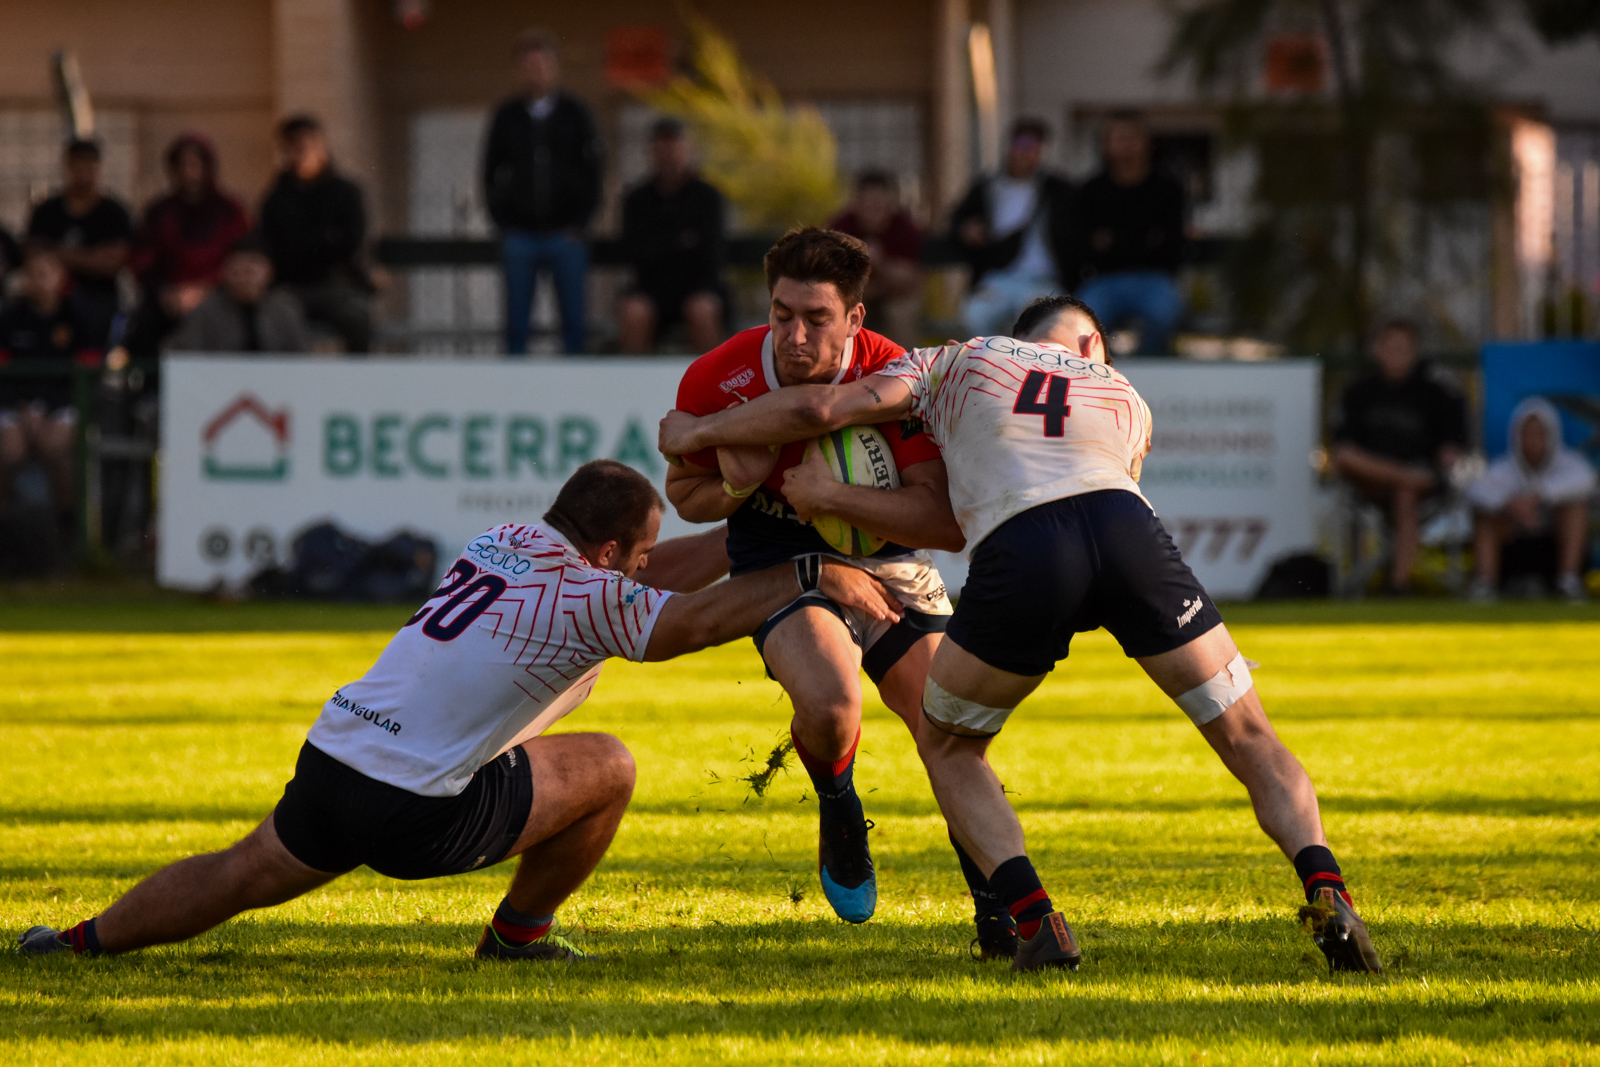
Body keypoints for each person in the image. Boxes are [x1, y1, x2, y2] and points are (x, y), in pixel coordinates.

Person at [658, 294, 1386, 976]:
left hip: (1027, 544)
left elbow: (821, 408)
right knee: (1249, 733)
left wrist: (698, 433)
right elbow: (1116, 483)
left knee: (949, 743)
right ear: (1091, 345)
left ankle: (1035, 919)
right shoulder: (1125, 395)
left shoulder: (958, 358)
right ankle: (1327, 886)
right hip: (1129, 533)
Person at [18, 460, 901, 962]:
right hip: (415, 808)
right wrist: (813, 572)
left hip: (336, 756)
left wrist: (747, 541)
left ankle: (78, 942)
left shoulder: (506, 540)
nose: (641, 568)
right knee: (610, 766)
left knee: (242, 868)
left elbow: (659, 576)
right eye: (635, 555)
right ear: (605, 552)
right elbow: (696, 621)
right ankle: (518, 937)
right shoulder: (590, 596)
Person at [665, 227, 974, 933]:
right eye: (781, 314)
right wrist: (735, 487)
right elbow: (685, 498)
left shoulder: (895, 374)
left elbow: (943, 521)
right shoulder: (718, 376)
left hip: (890, 557)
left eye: (816, 318)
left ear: (855, 318)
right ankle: (838, 805)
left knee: (946, 726)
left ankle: (999, 906)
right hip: (779, 564)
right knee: (834, 708)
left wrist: (832, 497)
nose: (794, 336)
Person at [483, 29, 603, 355]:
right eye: (528, 66)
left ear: (554, 68)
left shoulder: (576, 114)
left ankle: (574, 381)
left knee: (574, 325)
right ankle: (514, 382)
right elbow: (490, 172)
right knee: (517, 326)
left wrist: (580, 222)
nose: (535, 72)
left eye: (541, 65)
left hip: (567, 236)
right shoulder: (506, 116)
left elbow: (594, 171)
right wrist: (503, 223)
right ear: (518, 71)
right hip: (520, 236)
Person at [1330, 319, 1468, 595]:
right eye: (1390, 347)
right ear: (1377, 349)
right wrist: (1403, 475)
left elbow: (1454, 446)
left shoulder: (1437, 393)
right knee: (1347, 457)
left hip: (1421, 488)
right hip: (1370, 484)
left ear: (1415, 352)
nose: (1396, 354)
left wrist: (1447, 456)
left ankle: (1397, 585)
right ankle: (1405, 477)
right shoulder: (1358, 392)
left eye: (1403, 348)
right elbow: (1342, 450)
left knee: (1405, 494)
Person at [125, 133, 252, 358]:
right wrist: (164, 292)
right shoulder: (159, 212)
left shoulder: (229, 211)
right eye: (181, 165)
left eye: (194, 164)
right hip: (167, 299)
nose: (188, 172)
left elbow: (242, 256)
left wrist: (203, 291)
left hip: (220, 296)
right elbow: (143, 259)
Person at [950, 118, 1076, 338]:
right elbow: (957, 222)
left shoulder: (1058, 189)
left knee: (1038, 326)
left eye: (1035, 148)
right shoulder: (987, 187)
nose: (1027, 153)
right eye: (1022, 145)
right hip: (998, 278)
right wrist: (967, 230)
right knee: (974, 317)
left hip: (1045, 280)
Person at [1073, 112, 1187, 355]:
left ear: (1147, 143)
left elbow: (1172, 244)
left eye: (1132, 138)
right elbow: (1083, 245)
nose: (1126, 145)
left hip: (1154, 279)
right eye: (1118, 138)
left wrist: (1113, 242)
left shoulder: (1167, 189)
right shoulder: (1091, 189)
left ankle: (1148, 366)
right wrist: (1144, 242)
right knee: (1082, 323)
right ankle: (1103, 369)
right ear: (1106, 144)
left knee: (1165, 312)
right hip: (1104, 280)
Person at [0, 242, 96, 528]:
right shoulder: (11, 318)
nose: (38, 281)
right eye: (32, 274)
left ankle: (69, 526)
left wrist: (47, 408)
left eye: (46, 274)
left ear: (61, 278)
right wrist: (24, 407)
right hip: (17, 404)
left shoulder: (78, 317)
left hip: (61, 403)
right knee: (8, 452)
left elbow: (87, 372)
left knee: (57, 450)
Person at [258, 116, 372, 354]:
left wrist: (303, 246)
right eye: (292, 147)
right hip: (289, 287)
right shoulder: (276, 198)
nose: (300, 154)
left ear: (321, 146)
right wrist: (324, 241)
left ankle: (358, 375)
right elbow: (273, 248)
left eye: (306, 146)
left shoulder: (346, 193)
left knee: (357, 319)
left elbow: (350, 245)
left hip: (334, 284)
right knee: (274, 319)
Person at [1465, 397, 1595, 603]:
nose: (1533, 440)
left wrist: (1536, 497)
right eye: (1528, 433)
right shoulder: (1503, 468)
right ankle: (1485, 584)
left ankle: (1568, 581)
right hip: (1514, 551)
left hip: (1552, 550)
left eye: (1540, 433)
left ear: (1552, 435)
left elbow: (1586, 480)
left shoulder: (1571, 464)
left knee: (1575, 508)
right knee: (1485, 516)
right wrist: (1509, 505)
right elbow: (1475, 490)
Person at [617, 118, 726, 354]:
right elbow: (634, 253)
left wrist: (661, 246)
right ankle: (631, 376)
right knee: (635, 311)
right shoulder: (636, 200)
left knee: (703, 310)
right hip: (651, 287)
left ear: (688, 150)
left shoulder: (707, 197)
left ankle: (713, 376)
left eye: (674, 147)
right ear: (651, 153)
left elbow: (710, 253)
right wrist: (682, 243)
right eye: (662, 148)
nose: (668, 155)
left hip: (698, 286)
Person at [25, 138, 133, 347]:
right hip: (50, 295)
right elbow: (33, 254)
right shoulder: (47, 211)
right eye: (77, 167)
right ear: (67, 167)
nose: (83, 173)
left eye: (88, 167)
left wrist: (60, 254)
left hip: (98, 296)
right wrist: (90, 257)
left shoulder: (113, 212)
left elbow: (112, 262)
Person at [165, 233, 312, 353]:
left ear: (269, 272)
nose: (243, 279)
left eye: (250, 272)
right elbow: (188, 354)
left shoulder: (284, 309)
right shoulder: (206, 311)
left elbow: (301, 355)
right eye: (236, 272)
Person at [829, 171, 923, 346]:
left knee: (901, 314)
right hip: (857, 295)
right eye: (868, 205)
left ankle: (904, 362)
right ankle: (847, 362)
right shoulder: (841, 227)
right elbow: (834, 279)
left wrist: (879, 264)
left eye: (879, 205)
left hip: (897, 296)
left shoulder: (905, 228)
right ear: (857, 203)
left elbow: (908, 280)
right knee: (845, 311)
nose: (874, 211)